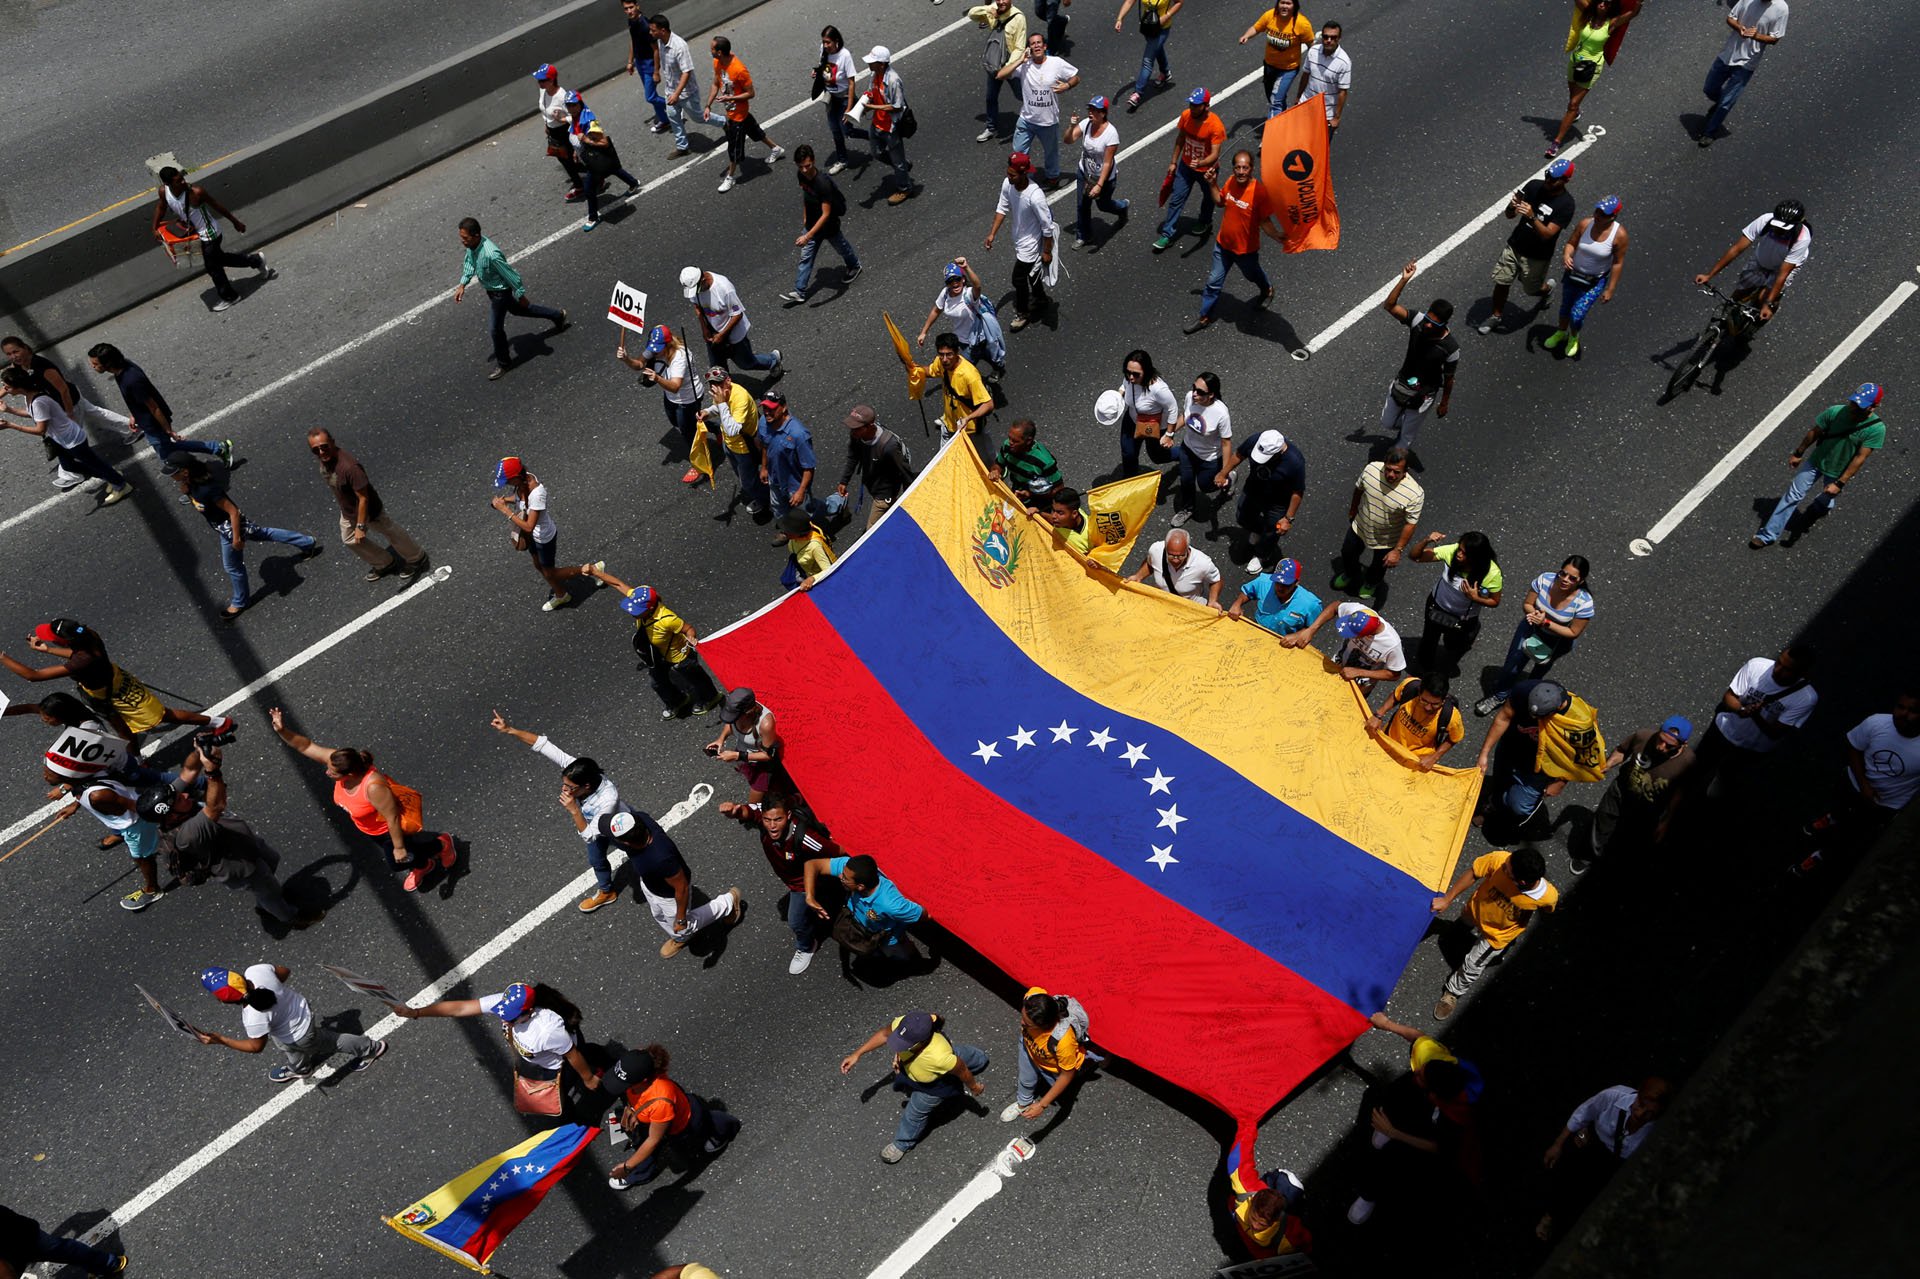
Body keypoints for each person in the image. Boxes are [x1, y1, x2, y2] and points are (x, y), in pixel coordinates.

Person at [268, 708, 455, 893]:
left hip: (388, 831)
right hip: (370, 829)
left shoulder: (373, 787)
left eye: (332, 773)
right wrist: (282, 731)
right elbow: (306, 746)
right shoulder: (338, 760)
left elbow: (393, 817)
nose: (327, 771)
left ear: (349, 775)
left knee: (397, 862)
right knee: (409, 853)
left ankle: (441, 844)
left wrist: (398, 847)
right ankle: (423, 864)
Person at [137, 745, 323, 930]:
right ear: (171, 816)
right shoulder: (187, 833)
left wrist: (200, 750)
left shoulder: (172, 805)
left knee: (272, 861)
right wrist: (213, 770)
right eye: (179, 800)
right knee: (268, 890)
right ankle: (288, 916)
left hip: (244, 845)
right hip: (241, 866)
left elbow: (189, 770)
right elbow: (216, 806)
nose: (185, 794)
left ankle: (268, 900)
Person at [0, 618, 234, 745]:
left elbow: (33, 676)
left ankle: (216, 722)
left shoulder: (82, 661)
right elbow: (77, 655)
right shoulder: (88, 635)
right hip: (113, 681)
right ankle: (135, 757)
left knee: (163, 715)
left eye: (53, 638)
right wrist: (49, 650)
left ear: (67, 641)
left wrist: (2, 657)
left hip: (109, 694)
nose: (46, 638)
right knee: (122, 727)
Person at [487, 712, 629, 913]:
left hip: (616, 826)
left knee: (638, 852)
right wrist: (509, 729)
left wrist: (573, 810)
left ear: (586, 786)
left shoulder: (608, 800)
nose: (564, 789)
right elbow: (543, 745)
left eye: (569, 787)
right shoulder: (577, 771)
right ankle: (607, 892)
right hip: (593, 823)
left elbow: (590, 836)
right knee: (596, 860)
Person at [391, 982, 599, 1109]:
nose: (505, 1020)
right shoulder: (506, 1003)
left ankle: (574, 1117)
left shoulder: (547, 1030)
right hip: (541, 1061)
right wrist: (416, 1013)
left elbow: (572, 1055)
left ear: (530, 1012)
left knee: (559, 1098)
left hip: (559, 1068)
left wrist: (588, 1078)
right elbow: (460, 1008)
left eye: (511, 1018)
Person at [170, 453, 319, 619]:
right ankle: (307, 543)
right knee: (264, 533)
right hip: (223, 528)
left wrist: (236, 538)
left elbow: (233, 511)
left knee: (233, 566)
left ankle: (240, 602)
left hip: (231, 528)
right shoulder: (191, 484)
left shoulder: (207, 488)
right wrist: (188, 492)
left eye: (173, 472)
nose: (171, 476)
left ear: (185, 472)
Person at [1793, 689, 1920, 877]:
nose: (1904, 714)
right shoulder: (1877, 723)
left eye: (1913, 710)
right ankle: (1832, 818)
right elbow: (1854, 747)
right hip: (1852, 784)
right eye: (1900, 707)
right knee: (1840, 806)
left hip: (1884, 805)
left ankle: (1822, 855)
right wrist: (1864, 785)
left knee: (1851, 835)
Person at [840, 1010, 990, 1162]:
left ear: (921, 1042)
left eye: (902, 1044)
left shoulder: (939, 1056)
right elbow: (885, 1034)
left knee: (914, 1114)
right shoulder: (904, 1024)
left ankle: (901, 1144)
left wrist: (974, 1087)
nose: (896, 1046)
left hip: (932, 1087)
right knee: (963, 1055)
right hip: (919, 1069)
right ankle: (980, 1059)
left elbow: (963, 1070)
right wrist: (857, 1054)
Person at [1536, 1077, 1672, 1242]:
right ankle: (1550, 1216)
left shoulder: (1660, 1127)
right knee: (1570, 1181)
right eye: (1641, 1105)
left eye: (1650, 1113)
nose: (1640, 1114)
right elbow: (1584, 1113)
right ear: (1638, 1095)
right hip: (1596, 1145)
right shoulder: (1614, 1096)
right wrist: (1558, 1144)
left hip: (1623, 1164)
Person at [196, 963, 386, 1081]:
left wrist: (221, 1039)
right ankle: (301, 1068)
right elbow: (284, 971)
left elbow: (255, 1047)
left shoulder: (253, 1017)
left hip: (300, 1034)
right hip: (299, 1012)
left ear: (223, 1001)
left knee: (332, 1041)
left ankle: (370, 1049)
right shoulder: (256, 971)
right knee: (285, 1045)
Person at [1428, 846, 1557, 1019]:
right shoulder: (1500, 859)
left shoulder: (1548, 897)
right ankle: (1460, 931)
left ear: (1521, 882)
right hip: (1475, 910)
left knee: (1472, 966)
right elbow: (1474, 872)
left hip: (1497, 935)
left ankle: (1453, 992)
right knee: (1462, 925)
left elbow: (1548, 909)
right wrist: (1447, 899)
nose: (1503, 866)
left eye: (1507, 869)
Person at [1752, 382, 1885, 549]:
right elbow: (1815, 432)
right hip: (1816, 461)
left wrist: (1839, 483)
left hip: (1838, 472)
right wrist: (1798, 453)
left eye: (1860, 406)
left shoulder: (1876, 429)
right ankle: (1768, 535)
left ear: (1874, 407)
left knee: (1826, 499)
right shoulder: (1836, 412)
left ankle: (1822, 506)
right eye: (1854, 402)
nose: (1854, 407)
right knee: (1792, 496)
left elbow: (1860, 458)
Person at [719, 792, 841, 973]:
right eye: (767, 820)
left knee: (796, 921)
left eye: (778, 820)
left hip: (802, 884)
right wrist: (734, 812)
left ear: (789, 816)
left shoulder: (806, 838)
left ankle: (807, 947)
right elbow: (747, 812)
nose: (772, 826)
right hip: (790, 877)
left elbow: (837, 851)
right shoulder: (764, 816)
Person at [579, 564, 723, 717]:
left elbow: (688, 629)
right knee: (657, 682)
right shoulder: (639, 599)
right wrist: (595, 571)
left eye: (637, 610)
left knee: (695, 678)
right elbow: (618, 584)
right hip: (657, 654)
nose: (632, 612)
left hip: (679, 656)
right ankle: (677, 700)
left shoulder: (667, 619)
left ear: (649, 609)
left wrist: (691, 638)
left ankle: (711, 698)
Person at [599, 811, 742, 958]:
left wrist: (681, 919)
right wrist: (576, 812)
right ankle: (680, 937)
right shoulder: (639, 818)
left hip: (670, 895)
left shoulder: (661, 859)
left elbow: (682, 888)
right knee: (658, 914)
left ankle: (728, 902)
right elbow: (600, 823)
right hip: (651, 884)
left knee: (685, 926)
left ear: (627, 843)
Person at [1690, 645, 1819, 801]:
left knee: (1728, 774)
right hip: (1723, 729)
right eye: (1778, 662)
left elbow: (1775, 732)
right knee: (1697, 765)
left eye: (1787, 669)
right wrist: (1741, 710)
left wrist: (1755, 715)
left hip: (1752, 748)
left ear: (1802, 673)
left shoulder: (1806, 698)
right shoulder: (1756, 666)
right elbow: (1729, 697)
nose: (1777, 670)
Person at [1473, 678, 1604, 831]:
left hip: (1540, 770)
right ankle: (1494, 804)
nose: (1532, 718)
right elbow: (1504, 717)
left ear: (1556, 710)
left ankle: (1509, 816)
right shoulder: (1524, 690)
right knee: (1500, 782)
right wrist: (1484, 753)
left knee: (1519, 807)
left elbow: (1581, 758)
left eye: (1539, 717)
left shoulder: (1579, 722)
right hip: (1511, 750)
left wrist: (1561, 782)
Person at [602, 1045, 740, 1189]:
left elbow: (653, 1141)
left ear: (643, 1081)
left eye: (625, 1083)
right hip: (675, 1111)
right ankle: (637, 1173)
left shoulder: (660, 1102)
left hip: (685, 1125)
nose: (620, 1086)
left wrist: (627, 1167)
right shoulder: (642, 1075)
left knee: (692, 1136)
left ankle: (721, 1131)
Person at [306, 429, 427, 584]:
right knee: (349, 539)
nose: (321, 452)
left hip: (369, 512)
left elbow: (363, 498)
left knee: (390, 532)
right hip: (349, 511)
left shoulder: (350, 468)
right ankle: (384, 563)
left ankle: (417, 557)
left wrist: (361, 526)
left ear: (333, 442)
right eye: (315, 450)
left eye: (324, 447)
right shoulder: (325, 460)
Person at [1476, 556, 1593, 715]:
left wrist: (1545, 622)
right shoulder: (1544, 580)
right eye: (1562, 574)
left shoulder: (1584, 603)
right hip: (1531, 627)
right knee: (1513, 664)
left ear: (1580, 581)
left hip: (1557, 641)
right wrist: (1536, 616)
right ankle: (1500, 695)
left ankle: (1527, 697)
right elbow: (1527, 604)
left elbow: (1573, 632)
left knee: (1539, 669)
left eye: (1572, 578)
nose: (1565, 579)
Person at [454, 218, 568, 381]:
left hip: (501, 294)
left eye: (465, 238)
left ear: (477, 235)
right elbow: (470, 263)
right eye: (462, 237)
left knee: (495, 329)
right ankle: (558, 315)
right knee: (521, 310)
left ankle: (504, 363)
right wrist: (462, 284)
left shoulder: (491, 254)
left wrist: (520, 294)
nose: (462, 241)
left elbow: (510, 274)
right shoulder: (472, 247)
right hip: (492, 292)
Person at [2, 336, 137, 473]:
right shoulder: (19, 365)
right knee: (96, 414)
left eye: (15, 351)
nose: (13, 356)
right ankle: (132, 428)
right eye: (9, 354)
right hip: (62, 402)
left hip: (68, 402)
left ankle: (73, 472)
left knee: (71, 441)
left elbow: (63, 390)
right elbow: (10, 383)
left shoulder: (42, 366)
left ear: (24, 347)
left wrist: (70, 413)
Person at [0, 367, 134, 504]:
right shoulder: (30, 397)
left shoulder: (38, 401)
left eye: (7, 386)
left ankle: (121, 485)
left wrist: (11, 425)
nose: (4, 389)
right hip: (62, 439)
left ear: (18, 387)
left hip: (72, 440)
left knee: (94, 463)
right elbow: (35, 415)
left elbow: (40, 430)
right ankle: (111, 476)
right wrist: (10, 410)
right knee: (69, 466)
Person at [151, 165, 273, 312]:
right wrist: (155, 227)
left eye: (182, 178)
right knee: (220, 259)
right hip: (197, 235)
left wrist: (236, 222)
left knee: (213, 267)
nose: (183, 182)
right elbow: (161, 207)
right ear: (168, 184)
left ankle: (230, 296)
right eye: (178, 181)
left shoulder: (195, 193)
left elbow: (217, 206)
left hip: (210, 234)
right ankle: (256, 260)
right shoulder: (164, 192)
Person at [1184, 150, 1281, 332]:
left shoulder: (1259, 192)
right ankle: (1204, 317)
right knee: (1213, 282)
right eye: (1237, 167)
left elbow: (1265, 222)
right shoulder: (1230, 181)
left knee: (1252, 275)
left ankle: (1267, 289)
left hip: (1245, 251)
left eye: (1245, 167)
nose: (1241, 171)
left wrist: (1278, 237)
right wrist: (1212, 183)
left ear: (1252, 169)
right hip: (1223, 246)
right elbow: (1220, 201)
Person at [83, 343, 225, 465]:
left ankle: (210, 457)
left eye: (95, 364)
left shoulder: (131, 380)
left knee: (168, 457)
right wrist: (134, 415)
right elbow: (137, 399)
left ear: (107, 364)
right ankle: (214, 451)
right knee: (170, 451)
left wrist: (168, 430)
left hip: (154, 423)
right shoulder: (122, 369)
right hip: (147, 421)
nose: (93, 367)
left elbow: (154, 407)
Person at [1477, 158, 1574, 335]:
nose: (1548, 180)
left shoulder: (1566, 205)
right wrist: (1511, 206)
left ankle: (1547, 289)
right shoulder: (1533, 186)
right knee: (1502, 280)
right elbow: (1509, 214)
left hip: (1537, 255)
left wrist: (1531, 217)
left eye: (1554, 179)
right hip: (1516, 245)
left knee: (1531, 289)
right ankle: (1496, 316)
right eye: (1548, 175)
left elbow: (1547, 235)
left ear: (1565, 181)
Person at [1585, 716, 1695, 871]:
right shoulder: (1643, 736)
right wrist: (1609, 764)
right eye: (1660, 739)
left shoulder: (1688, 763)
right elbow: (1622, 751)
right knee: (1602, 823)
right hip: (1621, 791)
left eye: (1669, 745)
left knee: (1634, 837)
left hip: (1650, 807)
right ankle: (1592, 856)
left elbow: (1679, 794)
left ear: (1683, 745)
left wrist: (1667, 821)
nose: (1661, 747)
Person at [1692, 200, 1809, 327]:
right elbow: (1736, 249)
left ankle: (1764, 314)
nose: (1778, 230)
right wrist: (1710, 275)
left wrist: (1767, 304)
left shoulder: (1802, 239)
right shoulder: (1765, 220)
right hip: (1761, 260)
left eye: (1783, 228)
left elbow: (1783, 274)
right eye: (1777, 225)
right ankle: (1727, 319)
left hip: (1783, 268)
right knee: (1738, 294)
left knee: (1763, 299)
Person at [1378, 262, 1458, 449]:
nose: (1428, 325)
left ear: (1445, 324)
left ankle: (1397, 461)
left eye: (1434, 323)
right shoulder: (1417, 320)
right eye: (1428, 319)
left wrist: (1444, 403)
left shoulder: (1451, 348)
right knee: (1387, 423)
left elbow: (1449, 379)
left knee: (1405, 439)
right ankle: (1405, 425)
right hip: (1402, 383)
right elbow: (1389, 306)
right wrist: (1404, 280)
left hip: (1424, 395)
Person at [491, 456, 583, 612]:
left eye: (507, 481)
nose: (506, 484)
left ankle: (589, 570)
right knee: (539, 566)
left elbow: (528, 526)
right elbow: (520, 498)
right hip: (533, 537)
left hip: (543, 538)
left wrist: (505, 510)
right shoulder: (524, 479)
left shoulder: (537, 493)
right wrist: (506, 500)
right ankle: (561, 594)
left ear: (515, 477)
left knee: (551, 572)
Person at [804, 852, 927, 970]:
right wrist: (810, 896)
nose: (840, 876)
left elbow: (923, 914)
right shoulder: (851, 868)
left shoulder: (892, 905)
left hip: (886, 938)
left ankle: (911, 963)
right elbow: (812, 864)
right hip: (859, 925)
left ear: (860, 886)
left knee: (899, 955)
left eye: (845, 878)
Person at [1333, 449, 1423, 604]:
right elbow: (1359, 489)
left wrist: (1397, 550)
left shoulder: (1415, 494)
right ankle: (1351, 573)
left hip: (1387, 538)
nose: (1390, 475)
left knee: (1378, 566)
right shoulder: (1371, 469)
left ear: (1405, 472)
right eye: (1387, 469)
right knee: (1347, 553)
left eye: (1396, 472)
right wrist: (1353, 509)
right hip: (1361, 525)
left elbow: (1410, 524)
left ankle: (1371, 583)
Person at [1409, 531, 1502, 676]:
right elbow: (1415, 557)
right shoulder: (1452, 552)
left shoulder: (1492, 574)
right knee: (1428, 640)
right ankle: (1424, 671)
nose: (1459, 554)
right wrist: (1426, 540)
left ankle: (1446, 666)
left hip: (1463, 618)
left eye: (1465, 553)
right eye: (1459, 549)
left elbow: (1495, 601)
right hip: (1436, 605)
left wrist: (1475, 598)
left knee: (1454, 646)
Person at [619, 324, 704, 483]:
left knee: (688, 433)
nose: (655, 352)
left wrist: (657, 378)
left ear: (668, 344)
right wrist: (626, 358)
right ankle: (713, 428)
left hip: (687, 399)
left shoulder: (679, 357)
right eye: (653, 348)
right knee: (676, 422)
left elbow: (675, 387)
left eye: (658, 349)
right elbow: (639, 364)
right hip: (671, 398)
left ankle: (700, 464)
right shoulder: (655, 346)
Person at [1547, 195, 1629, 358]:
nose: (1597, 216)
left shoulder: (1619, 235)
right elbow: (1571, 243)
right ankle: (1561, 332)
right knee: (1565, 307)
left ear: (1613, 217)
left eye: (1602, 214)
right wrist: (1567, 255)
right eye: (1597, 211)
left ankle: (1573, 336)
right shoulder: (1585, 224)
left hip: (1593, 282)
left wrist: (1610, 289)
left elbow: (1618, 263)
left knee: (1577, 314)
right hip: (1573, 275)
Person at [1698, 0, 1789, 145]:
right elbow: (1730, 18)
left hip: (1747, 63)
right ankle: (1719, 103)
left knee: (1726, 103)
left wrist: (1755, 36)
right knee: (1709, 88)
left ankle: (1709, 132)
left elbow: (1774, 38)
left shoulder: (1781, 9)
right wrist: (1740, 28)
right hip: (1727, 54)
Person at [984, 152, 1058, 332]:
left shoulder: (1035, 196)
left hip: (1031, 245)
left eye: (1012, 175)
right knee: (1032, 276)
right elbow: (1002, 208)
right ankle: (1040, 299)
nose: (1008, 177)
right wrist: (992, 234)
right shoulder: (1008, 184)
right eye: (1008, 173)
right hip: (1019, 239)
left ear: (1024, 173)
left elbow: (1047, 228)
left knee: (1018, 279)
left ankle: (1023, 313)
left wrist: (1047, 252)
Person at [1004, 987, 1101, 1121]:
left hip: (1053, 1067)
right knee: (1025, 1080)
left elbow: (1066, 1075)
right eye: (1023, 1017)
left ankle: (1092, 1059)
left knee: (1071, 1079)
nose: (1021, 1023)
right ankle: (1023, 1103)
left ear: (1044, 1027)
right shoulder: (1033, 998)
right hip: (1031, 1049)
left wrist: (1042, 1105)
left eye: (1027, 1024)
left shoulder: (1063, 1042)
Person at [997, 31, 1080, 186]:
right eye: (1032, 44)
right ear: (1029, 48)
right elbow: (1000, 75)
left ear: (1044, 46)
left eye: (1038, 43)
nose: (1036, 46)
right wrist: (1020, 61)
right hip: (1027, 120)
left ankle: (1053, 177)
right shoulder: (1024, 66)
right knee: (1018, 153)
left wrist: (1067, 85)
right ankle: (1023, 178)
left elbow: (1076, 77)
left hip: (1048, 122)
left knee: (1051, 154)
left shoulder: (1056, 63)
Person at [782, 145, 860, 304]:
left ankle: (854, 265)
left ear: (813, 161)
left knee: (841, 248)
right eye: (800, 166)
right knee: (806, 257)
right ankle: (800, 291)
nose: (804, 170)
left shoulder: (822, 184)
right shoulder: (801, 175)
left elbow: (826, 214)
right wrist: (805, 217)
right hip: (811, 224)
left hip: (828, 226)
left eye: (807, 166)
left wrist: (807, 236)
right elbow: (805, 195)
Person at [707, 36, 785, 194]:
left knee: (734, 148)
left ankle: (730, 177)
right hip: (732, 111)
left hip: (738, 115)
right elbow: (716, 83)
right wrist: (708, 105)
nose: (710, 51)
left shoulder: (739, 70)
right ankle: (776, 149)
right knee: (755, 131)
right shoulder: (718, 63)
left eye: (712, 49)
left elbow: (751, 93)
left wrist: (730, 98)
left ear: (720, 52)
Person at [1546, 0, 1624, 157]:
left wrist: (1640, 3)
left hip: (1591, 67)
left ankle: (1556, 142)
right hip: (1575, 61)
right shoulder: (1588, 15)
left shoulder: (1611, 23)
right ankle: (1575, 113)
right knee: (1571, 95)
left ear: (1611, 8)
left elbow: (1633, 14)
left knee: (1573, 104)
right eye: (1601, 1)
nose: (1602, 5)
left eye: (1607, 3)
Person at [1153, 89, 1225, 252]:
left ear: (1206, 106)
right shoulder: (1186, 116)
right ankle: (1167, 235)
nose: (1192, 108)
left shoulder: (1215, 126)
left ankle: (1205, 221)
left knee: (1208, 198)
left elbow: (1215, 154)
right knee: (1177, 198)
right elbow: (1180, 139)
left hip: (1206, 171)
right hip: (1186, 167)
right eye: (1191, 104)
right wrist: (1173, 162)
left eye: (1196, 105)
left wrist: (1201, 163)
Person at [1226, 429, 1304, 572]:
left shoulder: (1294, 462)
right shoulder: (1256, 440)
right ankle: (1259, 531)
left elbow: (1297, 492)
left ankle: (1262, 554)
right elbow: (1239, 454)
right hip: (1253, 490)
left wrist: (1288, 518)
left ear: (1278, 453)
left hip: (1278, 502)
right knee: (1242, 517)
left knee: (1273, 530)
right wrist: (1223, 473)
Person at [1165, 369, 1233, 530]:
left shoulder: (1221, 413)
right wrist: (1170, 433)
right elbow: (1185, 416)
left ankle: (1230, 479)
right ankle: (1187, 509)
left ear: (1211, 395)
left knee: (1206, 486)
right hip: (1188, 450)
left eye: (1200, 392)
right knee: (1186, 481)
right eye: (1194, 388)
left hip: (1209, 458)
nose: (1194, 393)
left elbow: (1226, 443)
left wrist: (1224, 472)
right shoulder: (1190, 397)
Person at [1283, 601, 1407, 689]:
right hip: (1336, 664)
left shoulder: (1392, 644)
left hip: (1359, 684)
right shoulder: (1357, 611)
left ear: (1368, 635)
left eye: (1353, 634)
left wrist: (1360, 672)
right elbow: (1335, 606)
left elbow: (1394, 674)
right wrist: (1310, 630)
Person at [683, 266, 780, 376]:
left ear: (703, 280)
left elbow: (737, 314)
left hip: (733, 333)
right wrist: (704, 328)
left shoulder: (724, 288)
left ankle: (773, 360)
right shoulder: (695, 288)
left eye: (697, 290)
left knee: (746, 363)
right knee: (717, 371)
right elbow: (697, 306)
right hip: (714, 333)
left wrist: (722, 335)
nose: (696, 293)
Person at [916, 259, 1005, 378]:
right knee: (964, 370)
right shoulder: (946, 293)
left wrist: (966, 267)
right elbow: (936, 310)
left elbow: (977, 286)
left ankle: (998, 369)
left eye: (957, 279)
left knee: (991, 358)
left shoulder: (968, 294)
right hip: (962, 341)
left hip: (979, 338)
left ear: (963, 279)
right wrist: (924, 332)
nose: (954, 283)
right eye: (950, 281)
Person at [698, 366, 769, 513]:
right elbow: (718, 409)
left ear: (728, 380)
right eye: (712, 384)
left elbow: (732, 430)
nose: (715, 388)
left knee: (748, 483)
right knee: (743, 475)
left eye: (718, 383)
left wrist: (722, 403)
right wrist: (707, 413)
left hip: (744, 447)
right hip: (729, 444)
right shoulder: (721, 393)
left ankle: (765, 501)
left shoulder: (740, 397)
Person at [839, 404, 917, 532]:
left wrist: (908, 500)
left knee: (871, 532)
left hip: (884, 494)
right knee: (889, 520)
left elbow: (905, 473)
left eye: (857, 428)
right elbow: (853, 456)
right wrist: (844, 480)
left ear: (870, 426)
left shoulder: (889, 447)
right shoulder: (857, 436)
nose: (852, 432)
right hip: (873, 484)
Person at [651, 15, 721, 156]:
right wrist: (656, 71)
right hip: (670, 90)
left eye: (653, 30)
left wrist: (677, 94)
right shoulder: (660, 41)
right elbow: (657, 54)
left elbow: (686, 72)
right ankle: (682, 147)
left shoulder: (679, 46)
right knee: (673, 117)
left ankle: (724, 122)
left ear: (662, 30)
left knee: (698, 118)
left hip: (686, 92)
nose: (650, 33)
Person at [1065, 97, 1128, 248]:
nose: (1090, 113)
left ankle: (1122, 207)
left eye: (1094, 110)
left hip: (1103, 178)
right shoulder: (1086, 124)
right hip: (1085, 172)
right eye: (1090, 109)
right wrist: (1071, 126)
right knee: (1082, 205)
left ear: (1103, 113)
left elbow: (1107, 162)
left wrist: (1099, 185)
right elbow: (1068, 140)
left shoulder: (1111, 134)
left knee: (1104, 206)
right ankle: (1084, 236)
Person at [1366, 675, 1464, 772]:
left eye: (1435, 704)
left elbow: (1454, 738)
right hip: (1387, 742)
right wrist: (1378, 714)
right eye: (1424, 701)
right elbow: (1396, 696)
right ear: (1419, 692)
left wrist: (1434, 757)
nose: (1428, 708)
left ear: (1443, 700)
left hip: (1415, 761)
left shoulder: (1451, 716)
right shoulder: (1409, 686)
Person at [0, 1203, 127, 1276]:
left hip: (20, 1237)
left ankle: (107, 1263)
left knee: (63, 1250)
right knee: (64, 1250)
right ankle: (107, 1263)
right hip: (20, 1234)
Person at [862, 47, 920, 205]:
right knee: (876, 153)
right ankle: (903, 167)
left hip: (891, 128)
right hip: (877, 124)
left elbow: (896, 106)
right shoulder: (875, 75)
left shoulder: (893, 80)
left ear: (881, 64)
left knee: (898, 161)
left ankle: (905, 188)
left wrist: (873, 108)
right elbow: (871, 93)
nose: (869, 65)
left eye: (872, 62)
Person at [708, 687, 788, 802]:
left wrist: (737, 756)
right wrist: (721, 739)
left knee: (753, 802)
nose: (732, 719)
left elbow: (767, 755)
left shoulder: (766, 724)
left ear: (747, 713)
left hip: (762, 765)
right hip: (744, 755)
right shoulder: (737, 713)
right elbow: (730, 723)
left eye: (734, 716)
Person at [923, 333, 997, 453]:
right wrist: (914, 368)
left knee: (984, 460)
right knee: (945, 459)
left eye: (949, 354)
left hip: (970, 430)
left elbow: (988, 404)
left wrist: (968, 418)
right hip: (949, 424)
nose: (945, 359)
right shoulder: (941, 362)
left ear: (957, 352)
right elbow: (931, 371)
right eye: (941, 354)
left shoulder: (969, 376)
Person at [1241, 0, 1315, 118]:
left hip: (1288, 69)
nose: (1285, 6)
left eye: (1288, 3)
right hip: (1269, 66)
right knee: (1274, 97)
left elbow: (1311, 45)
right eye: (1282, 3)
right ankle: (1285, 117)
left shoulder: (1302, 24)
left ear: (1294, 6)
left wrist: (1315, 64)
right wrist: (1246, 36)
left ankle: (1274, 132)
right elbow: (1256, 27)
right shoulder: (1270, 16)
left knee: (1275, 100)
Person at [1114, 348, 1179, 476]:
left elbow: (1172, 408)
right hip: (1132, 420)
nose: (1131, 377)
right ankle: (1130, 482)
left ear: (1147, 371)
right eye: (1128, 372)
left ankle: (1186, 455)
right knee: (1128, 454)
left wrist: (1169, 435)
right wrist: (1118, 395)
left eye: (1136, 374)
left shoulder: (1158, 389)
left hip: (1154, 425)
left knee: (1157, 456)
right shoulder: (1129, 378)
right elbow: (1124, 385)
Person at [971, 0, 1028, 143]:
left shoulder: (1018, 18)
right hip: (995, 65)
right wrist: (989, 10)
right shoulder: (994, 10)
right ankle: (991, 127)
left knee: (1022, 95)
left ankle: (1036, 118)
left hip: (1011, 67)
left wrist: (1007, 69)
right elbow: (972, 14)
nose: (1001, 1)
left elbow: (1019, 48)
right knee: (991, 98)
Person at [757, 390, 817, 524]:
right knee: (778, 508)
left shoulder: (798, 434)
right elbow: (765, 446)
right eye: (765, 408)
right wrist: (764, 468)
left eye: (772, 408)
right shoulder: (763, 422)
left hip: (794, 485)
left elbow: (809, 467)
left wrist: (801, 491)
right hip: (775, 479)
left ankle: (837, 503)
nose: (767, 412)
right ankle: (786, 531)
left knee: (803, 515)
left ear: (784, 408)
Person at [532, 64, 588, 197]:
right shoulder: (543, 90)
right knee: (563, 159)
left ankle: (595, 177)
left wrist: (562, 119)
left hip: (565, 130)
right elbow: (543, 108)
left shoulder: (562, 96)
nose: (539, 83)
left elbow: (576, 116)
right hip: (553, 131)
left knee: (573, 158)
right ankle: (580, 183)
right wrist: (547, 124)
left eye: (542, 80)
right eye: (538, 80)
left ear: (551, 80)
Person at [1128, 529, 1222, 607]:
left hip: (1189, 605)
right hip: (1160, 600)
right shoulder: (1156, 550)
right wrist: (1138, 576)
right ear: (1165, 548)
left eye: (1181, 556)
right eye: (1171, 556)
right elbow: (1150, 563)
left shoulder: (1203, 563)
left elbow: (1216, 580)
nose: (1176, 560)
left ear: (1187, 549)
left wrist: (1212, 600)